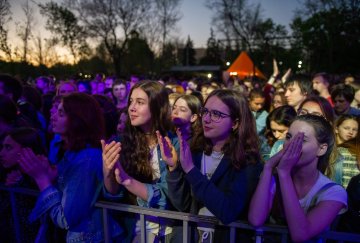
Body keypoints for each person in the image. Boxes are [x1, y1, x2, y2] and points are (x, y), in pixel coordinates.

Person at [18, 93, 122, 242]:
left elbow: (65, 219)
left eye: (61, 113)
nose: (52, 116)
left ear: (78, 120)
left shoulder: (86, 158)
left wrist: (42, 179)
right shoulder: (73, 153)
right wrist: (50, 174)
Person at [165, 89, 263, 242]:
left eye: (216, 114)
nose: (206, 119)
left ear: (235, 123)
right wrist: (173, 168)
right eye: (205, 111)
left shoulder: (248, 160)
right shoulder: (195, 149)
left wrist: (191, 170)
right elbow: (182, 205)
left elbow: (228, 211)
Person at [248, 114, 347, 242]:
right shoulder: (273, 179)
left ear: (321, 149)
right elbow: (256, 219)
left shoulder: (334, 192)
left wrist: (284, 173)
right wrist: (268, 168)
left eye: (301, 140)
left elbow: (301, 234)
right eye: (289, 138)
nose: (290, 145)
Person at [102, 80, 179, 242]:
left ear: (157, 107)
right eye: (131, 102)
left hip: (169, 232)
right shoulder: (120, 142)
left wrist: (127, 180)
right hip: (133, 231)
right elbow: (113, 195)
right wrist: (108, 171)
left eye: (140, 102)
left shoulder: (174, 143)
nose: (131, 108)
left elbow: (168, 198)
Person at [0, 128, 45, 242]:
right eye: (3, 147)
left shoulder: (37, 183)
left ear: (26, 151)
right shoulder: (8, 177)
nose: (1, 153)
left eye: (8, 148)